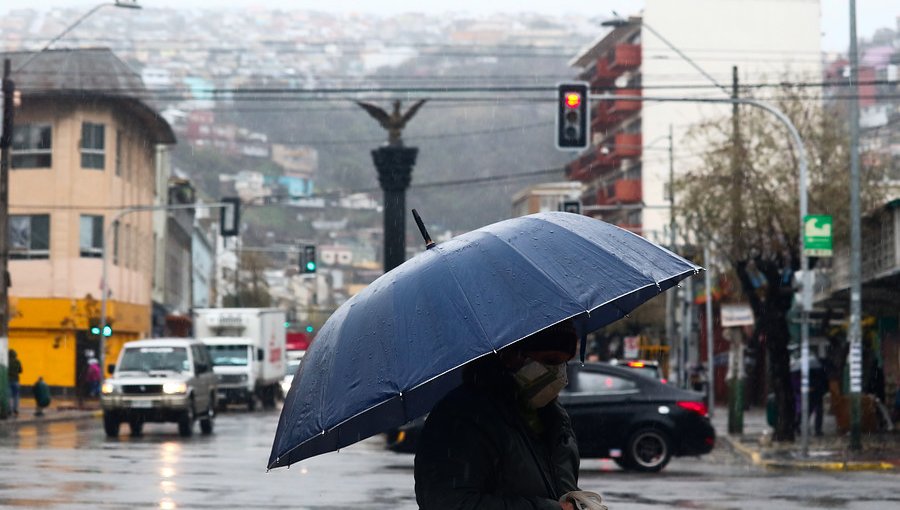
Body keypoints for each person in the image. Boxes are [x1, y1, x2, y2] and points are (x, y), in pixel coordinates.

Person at [414, 320, 605, 510]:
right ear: (512, 356)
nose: (560, 375)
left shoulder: (553, 418)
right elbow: (449, 503)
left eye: (564, 363)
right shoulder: (461, 417)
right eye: (550, 361)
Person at [7, 349, 23, 417]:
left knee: (8, 396)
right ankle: (15, 409)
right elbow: (21, 371)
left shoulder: (6, 362)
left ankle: (9, 410)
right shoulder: (17, 361)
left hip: (8, 380)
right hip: (16, 380)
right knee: (16, 396)